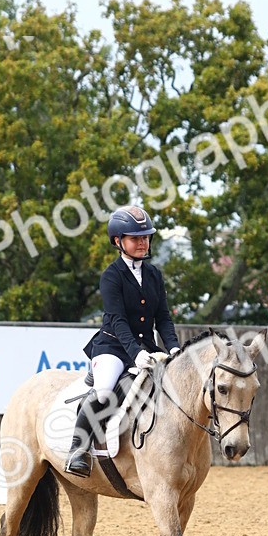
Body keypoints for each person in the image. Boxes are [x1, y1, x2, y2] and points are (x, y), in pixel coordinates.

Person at [65, 204, 180, 476]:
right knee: (105, 390)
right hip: (113, 347)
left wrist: (174, 348)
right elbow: (117, 320)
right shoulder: (111, 276)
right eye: (135, 238)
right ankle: (78, 449)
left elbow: (163, 318)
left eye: (146, 237)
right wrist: (136, 353)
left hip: (147, 348)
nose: (142, 243)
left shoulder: (154, 275)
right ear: (118, 241)